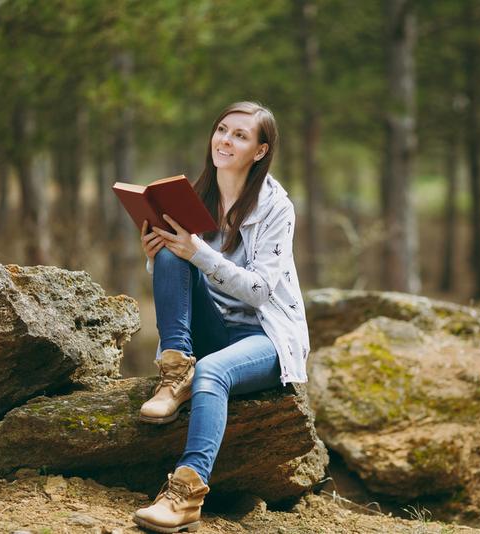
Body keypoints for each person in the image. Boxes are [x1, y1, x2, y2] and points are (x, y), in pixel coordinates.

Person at [132, 101, 310, 533]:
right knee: (173, 254)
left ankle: (185, 496)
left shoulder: (275, 208)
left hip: (265, 336)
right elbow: (187, 278)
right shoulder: (192, 198)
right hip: (214, 328)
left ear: (260, 151)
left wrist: (201, 254)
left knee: (211, 371)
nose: (226, 141)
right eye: (222, 130)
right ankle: (174, 372)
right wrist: (157, 256)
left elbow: (260, 291)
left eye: (240, 136)